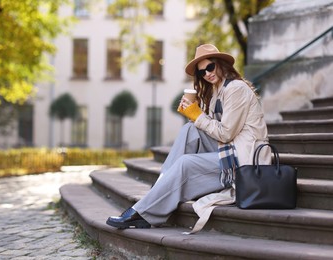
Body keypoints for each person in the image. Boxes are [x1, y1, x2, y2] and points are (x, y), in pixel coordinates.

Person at [106, 44, 271, 229]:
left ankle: (144, 210)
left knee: (186, 162)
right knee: (189, 130)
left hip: (246, 161)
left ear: (221, 65)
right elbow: (209, 127)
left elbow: (225, 133)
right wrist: (194, 113)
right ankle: (160, 189)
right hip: (231, 149)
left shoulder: (236, 88)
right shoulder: (217, 90)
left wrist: (197, 115)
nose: (207, 74)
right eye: (202, 73)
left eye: (210, 67)